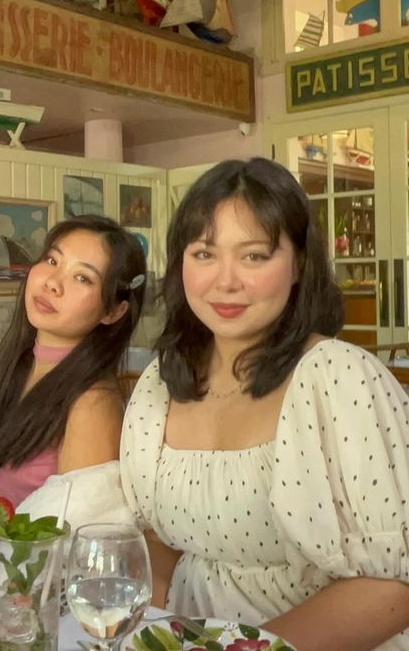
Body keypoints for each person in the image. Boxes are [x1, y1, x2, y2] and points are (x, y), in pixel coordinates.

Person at [120, 158, 409, 651]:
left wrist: (240, 648)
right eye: (204, 254)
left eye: (254, 256)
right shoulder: (160, 381)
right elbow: (160, 539)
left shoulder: (340, 378)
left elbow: (394, 588)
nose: (225, 281)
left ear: (298, 263)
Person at [0, 214, 146, 528]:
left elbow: (74, 542)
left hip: (34, 572)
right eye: (52, 260)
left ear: (114, 311)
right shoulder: (16, 368)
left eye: (82, 278)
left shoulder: (92, 405)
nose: (52, 282)